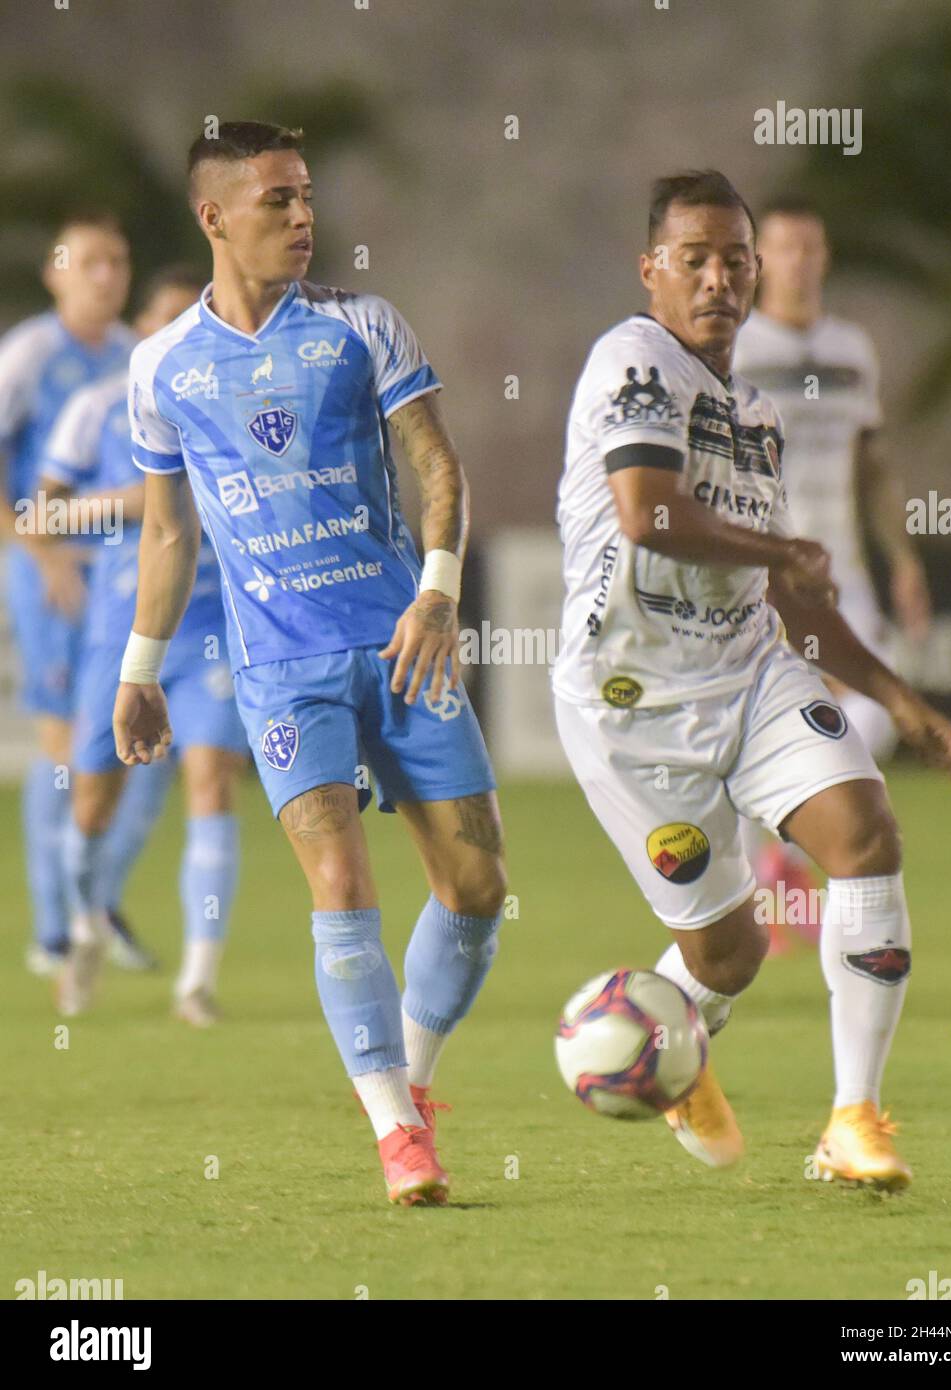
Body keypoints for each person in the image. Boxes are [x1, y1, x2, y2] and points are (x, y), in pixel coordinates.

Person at [552, 170, 951, 1190]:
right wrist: (778, 550)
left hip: (749, 676)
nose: (717, 279)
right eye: (692, 258)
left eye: (733, 260)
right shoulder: (635, 362)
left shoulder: (753, 413)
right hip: (631, 713)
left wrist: (894, 693)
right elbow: (649, 512)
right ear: (651, 270)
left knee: (866, 833)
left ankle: (854, 1118)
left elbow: (781, 590)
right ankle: (674, 1037)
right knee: (729, 957)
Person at [113, 122, 506, 1207]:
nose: (302, 216)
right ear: (214, 217)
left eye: (306, 196)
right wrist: (138, 668)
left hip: (403, 645)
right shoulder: (162, 369)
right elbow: (166, 533)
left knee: (477, 889)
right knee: (339, 884)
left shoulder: (359, 327)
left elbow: (438, 463)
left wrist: (438, 589)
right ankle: (396, 1137)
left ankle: (410, 1083)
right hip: (282, 671)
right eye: (278, 199)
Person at [41, 265, 250, 1023]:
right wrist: (128, 506)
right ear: (139, 329)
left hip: (212, 631)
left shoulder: (236, 400)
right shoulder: (97, 409)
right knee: (93, 799)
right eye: (161, 320)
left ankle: (197, 978)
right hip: (117, 636)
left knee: (211, 781)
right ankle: (86, 925)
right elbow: (45, 516)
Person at [732, 200, 933, 948]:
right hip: (763, 564)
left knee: (874, 717)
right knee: (769, 718)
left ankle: (779, 859)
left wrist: (906, 558)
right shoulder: (737, 347)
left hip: (843, 565)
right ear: (761, 261)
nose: (799, 261)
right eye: (784, 248)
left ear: (825, 257)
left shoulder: (852, 349)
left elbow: (872, 465)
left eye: (811, 248)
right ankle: (772, 873)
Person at [0, 213, 164, 975]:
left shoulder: (137, 356)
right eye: (92, 261)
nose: (107, 274)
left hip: (123, 570)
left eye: (119, 260)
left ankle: (91, 902)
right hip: (48, 573)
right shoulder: (30, 353)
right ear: (56, 271)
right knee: (65, 743)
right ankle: (55, 930)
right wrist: (39, 550)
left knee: (140, 748)